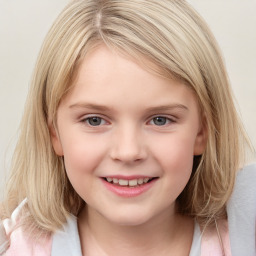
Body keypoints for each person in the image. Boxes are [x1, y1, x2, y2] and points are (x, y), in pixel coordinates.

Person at [0, 0, 255, 255]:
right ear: (54, 133)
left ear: (202, 131)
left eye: (160, 120)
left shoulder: (244, 238)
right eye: (95, 120)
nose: (128, 151)